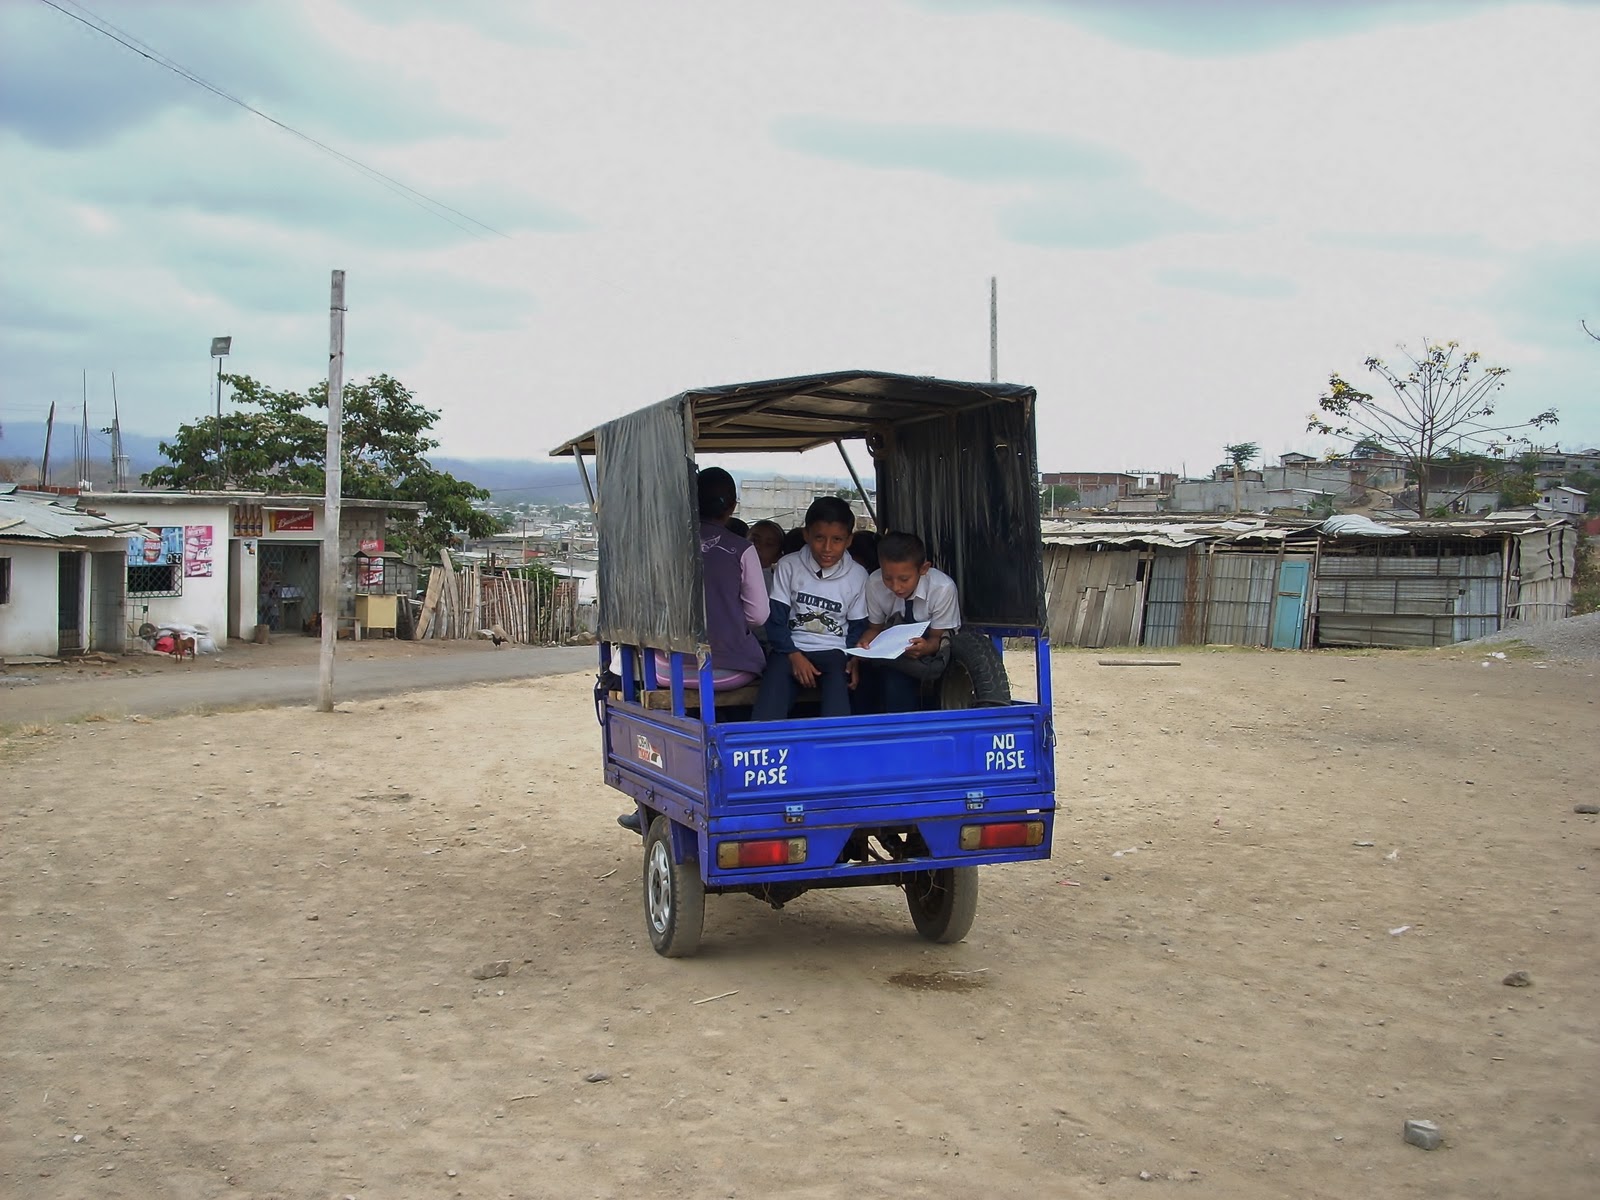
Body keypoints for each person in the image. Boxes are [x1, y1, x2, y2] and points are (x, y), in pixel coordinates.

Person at [620, 467, 768, 833]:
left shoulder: (665, 546)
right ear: (732, 506)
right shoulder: (741, 548)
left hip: (669, 671)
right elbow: (759, 614)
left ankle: (652, 798)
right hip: (730, 672)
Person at [752, 497, 868, 720]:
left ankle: (833, 751)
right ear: (806, 535)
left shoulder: (858, 575)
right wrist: (795, 656)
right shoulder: (789, 565)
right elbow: (775, 619)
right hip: (790, 649)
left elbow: (857, 626)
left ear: (849, 540)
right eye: (819, 538)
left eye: (836, 540)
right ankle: (765, 748)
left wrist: (853, 657)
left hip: (836, 652)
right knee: (768, 708)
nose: (827, 548)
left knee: (838, 709)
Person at [857, 530, 961, 713]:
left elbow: (939, 638)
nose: (895, 586)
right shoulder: (873, 583)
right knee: (886, 678)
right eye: (887, 578)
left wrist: (925, 647)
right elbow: (875, 628)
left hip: (931, 650)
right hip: (894, 655)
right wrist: (864, 645)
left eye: (904, 579)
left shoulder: (942, 588)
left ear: (923, 569)